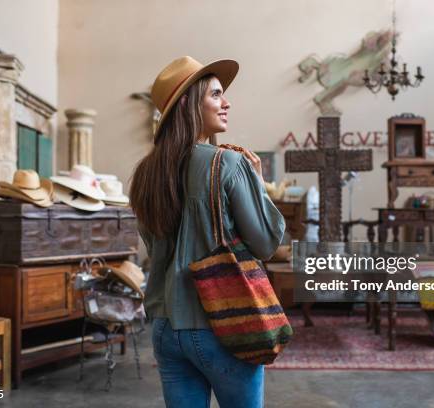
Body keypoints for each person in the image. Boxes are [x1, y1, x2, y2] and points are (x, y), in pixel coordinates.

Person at [129, 56, 285, 408]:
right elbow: (266, 243)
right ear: (186, 103)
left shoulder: (146, 173)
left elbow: (156, 247)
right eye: (216, 95)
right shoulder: (228, 163)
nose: (226, 102)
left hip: (165, 327)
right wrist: (258, 184)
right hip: (222, 323)